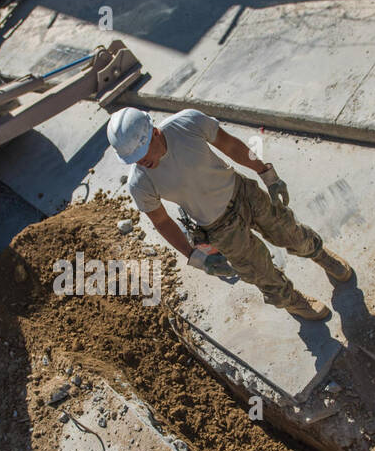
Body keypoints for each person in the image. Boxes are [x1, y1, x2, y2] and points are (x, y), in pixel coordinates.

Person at [107, 106, 353, 320]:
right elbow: (162, 222)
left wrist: (266, 173)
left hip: (243, 193)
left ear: (155, 134)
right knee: (260, 271)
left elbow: (231, 145)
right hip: (218, 228)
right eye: (132, 160)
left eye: (141, 155)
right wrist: (196, 257)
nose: (139, 163)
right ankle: (292, 301)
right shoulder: (140, 183)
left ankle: (318, 253)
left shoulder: (186, 123)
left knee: (290, 232)